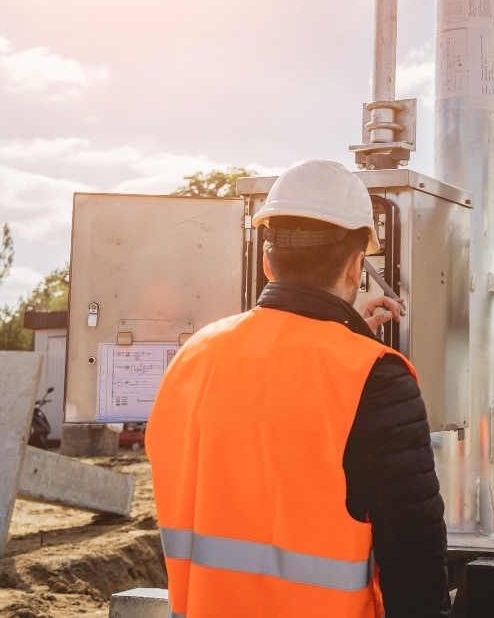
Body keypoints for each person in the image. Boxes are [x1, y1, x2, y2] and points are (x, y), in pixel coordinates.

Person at [146, 160, 450, 618]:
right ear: (354, 267)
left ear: (268, 263)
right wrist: (349, 348)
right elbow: (415, 554)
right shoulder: (375, 377)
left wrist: (343, 338)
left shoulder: (192, 356)